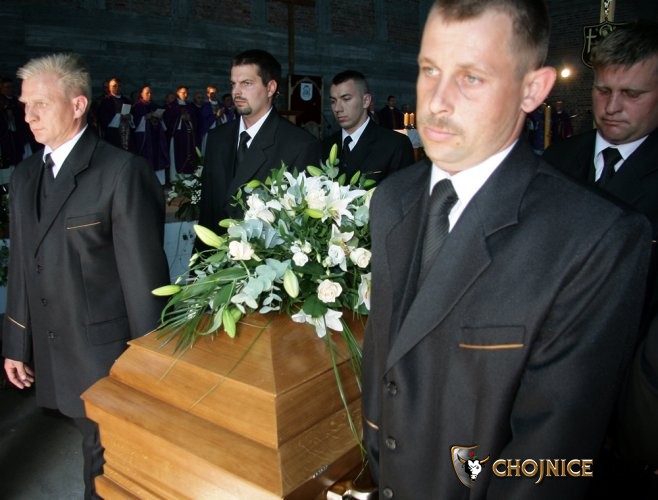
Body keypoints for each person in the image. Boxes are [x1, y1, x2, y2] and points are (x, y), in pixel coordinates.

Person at [361, 2, 652, 499]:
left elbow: (551, 456)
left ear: (532, 89)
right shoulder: (392, 199)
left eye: (471, 77)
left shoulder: (596, 238)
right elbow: (387, 365)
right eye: (430, 70)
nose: (437, 102)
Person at [2, 53, 170, 499]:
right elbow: (23, 263)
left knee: (106, 465)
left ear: (78, 105)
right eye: (25, 105)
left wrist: (149, 369)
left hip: (104, 357)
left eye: (41, 103)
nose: (29, 115)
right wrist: (16, 342)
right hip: (51, 348)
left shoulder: (120, 172)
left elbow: (144, 282)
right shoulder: (25, 175)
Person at [542, 20, 658, 496]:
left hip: (626, 394)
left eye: (632, 94)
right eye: (603, 90)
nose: (612, 107)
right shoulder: (555, 161)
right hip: (544, 383)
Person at [198, 49, 320, 231]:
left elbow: (300, 226)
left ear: (270, 88)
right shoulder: (217, 138)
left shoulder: (300, 145)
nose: (236, 92)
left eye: (246, 83)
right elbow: (207, 211)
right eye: (233, 84)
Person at [322, 70, 414, 183]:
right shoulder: (324, 146)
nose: (337, 108)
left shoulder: (396, 145)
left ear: (366, 101)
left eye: (346, 99)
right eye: (333, 101)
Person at [131, 84, 169, 182]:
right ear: (141, 94)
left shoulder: (155, 106)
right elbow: (134, 123)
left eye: (151, 93)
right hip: (146, 139)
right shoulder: (137, 106)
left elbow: (163, 124)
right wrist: (145, 117)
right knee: (147, 158)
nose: (149, 95)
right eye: (147, 93)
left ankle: (160, 183)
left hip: (156, 137)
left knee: (158, 159)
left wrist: (160, 118)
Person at [96, 77, 135, 152]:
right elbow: (102, 117)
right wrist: (118, 116)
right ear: (109, 88)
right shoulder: (105, 101)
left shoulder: (126, 100)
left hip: (126, 130)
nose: (117, 88)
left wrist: (130, 116)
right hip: (113, 132)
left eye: (119, 86)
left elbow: (133, 115)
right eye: (114, 86)